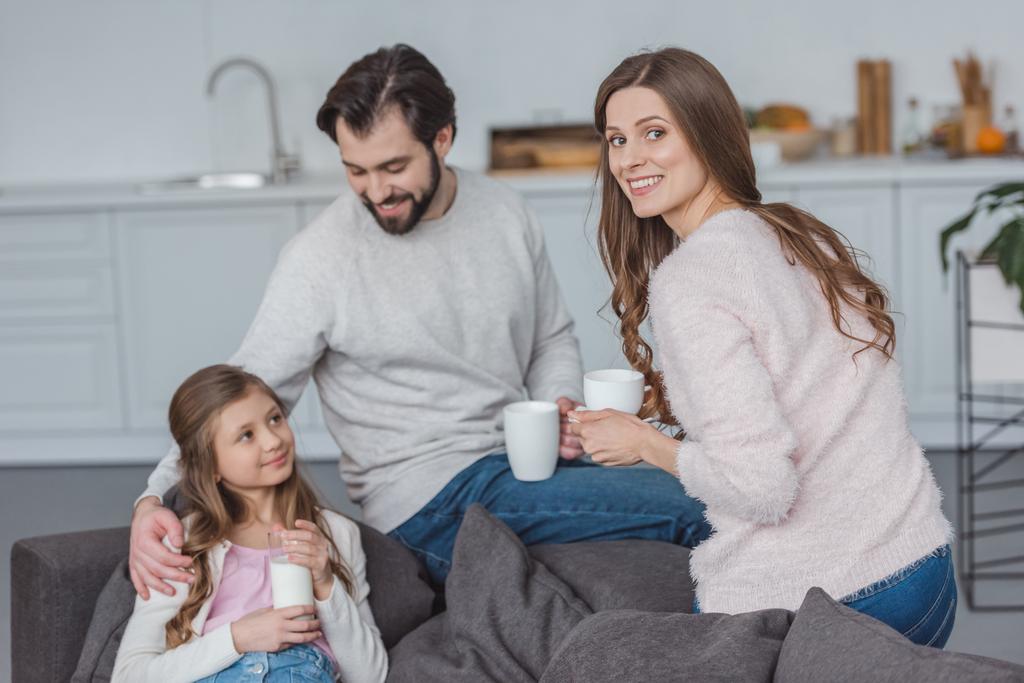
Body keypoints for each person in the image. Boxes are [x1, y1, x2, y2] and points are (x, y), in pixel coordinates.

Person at [130, 44, 711, 593]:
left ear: (443, 138)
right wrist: (153, 499)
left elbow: (549, 336)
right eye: (355, 170)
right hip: (426, 504)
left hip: (517, 463)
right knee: (697, 500)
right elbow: (237, 393)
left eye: (393, 166)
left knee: (698, 475)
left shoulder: (504, 212)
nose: (375, 191)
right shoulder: (320, 258)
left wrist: (556, 403)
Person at [569, 47, 956, 648]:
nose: (629, 159)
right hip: (924, 576)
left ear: (706, 133)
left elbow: (760, 489)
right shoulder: (797, 233)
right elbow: (811, 394)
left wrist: (644, 444)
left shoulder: (693, 280)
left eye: (654, 133)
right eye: (617, 140)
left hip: (833, 606)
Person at [113, 365, 387, 682]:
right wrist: (238, 637)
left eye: (275, 418)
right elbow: (129, 676)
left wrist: (326, 584)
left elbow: (373, 675)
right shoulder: (184, 543)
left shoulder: (335, 534)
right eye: (246, 435)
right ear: (210, 465)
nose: (273, 440)